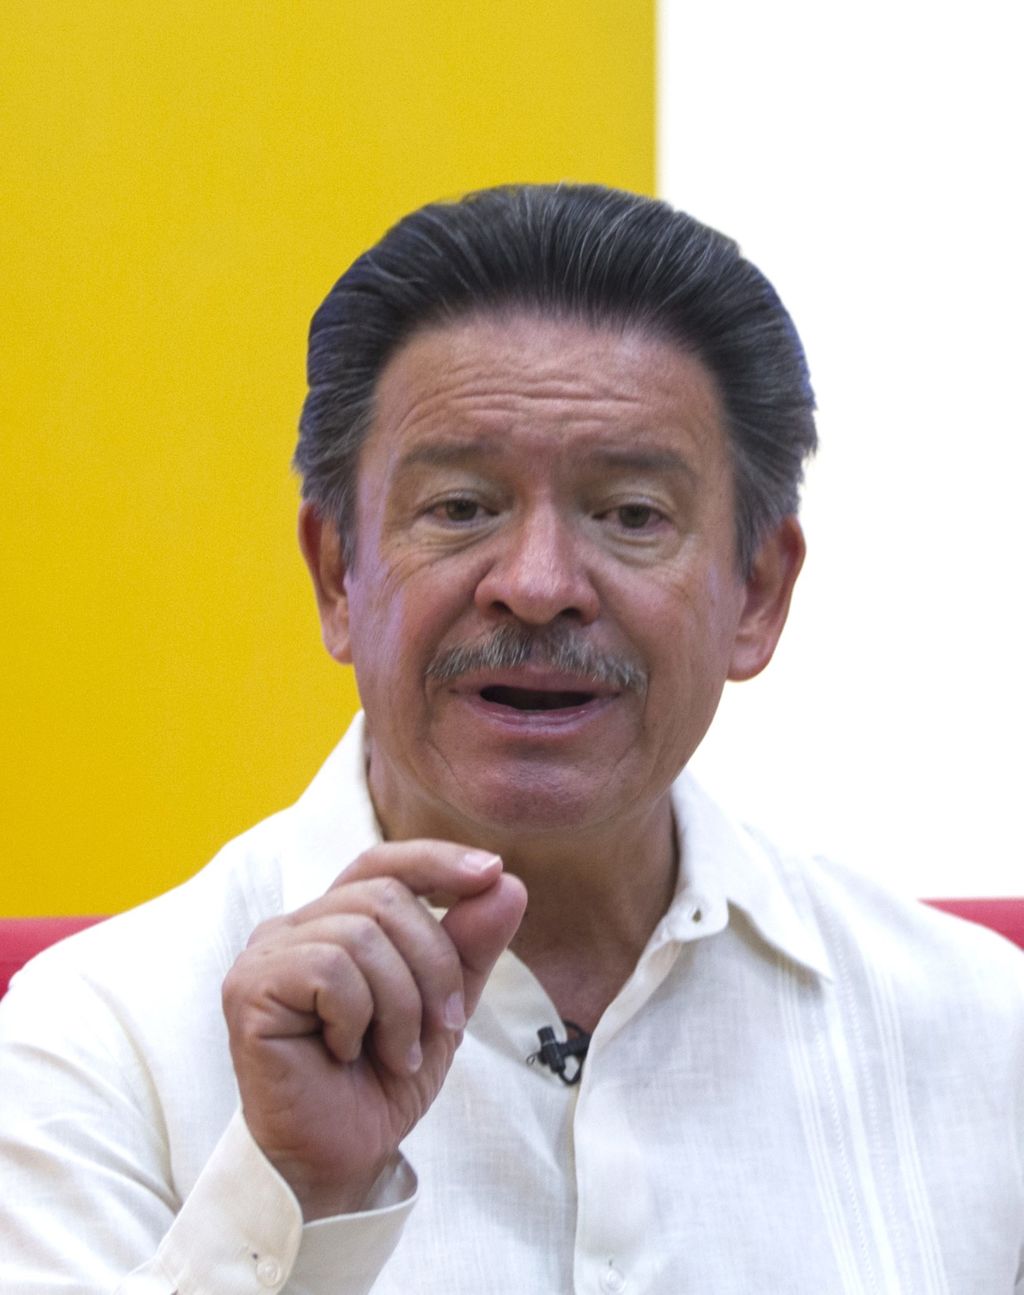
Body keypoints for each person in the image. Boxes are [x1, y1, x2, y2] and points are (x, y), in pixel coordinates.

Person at [1, 184, 1022, 1294]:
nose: (537, 585)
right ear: (338, 575)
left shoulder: (987, 1034)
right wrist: (295, 1197)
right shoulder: (96, 1041)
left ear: (758, 591)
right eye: (460, 507)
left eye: (631, 514)